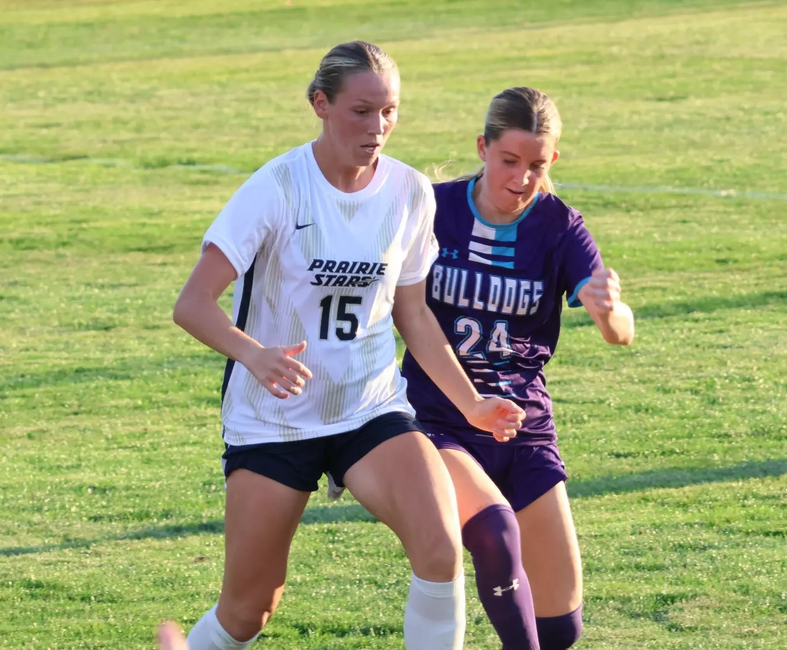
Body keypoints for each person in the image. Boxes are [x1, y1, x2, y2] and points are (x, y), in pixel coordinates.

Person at [172, 42, 525, 650]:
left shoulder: (411, 193)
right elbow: (192, 304)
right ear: (320, 104)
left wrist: (470, 405)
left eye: (389, 112)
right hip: (274, 421)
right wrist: (254, 354)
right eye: (362, 111)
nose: (377, 128)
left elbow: (412, 315)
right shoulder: (277, 186)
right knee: (249, 610)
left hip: (369, 409)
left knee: (440, 549)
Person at [401, 87, 635, 649]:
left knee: (561, 626)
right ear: (482, 148)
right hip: (440, 422)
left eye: (536, 165)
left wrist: (610, 311)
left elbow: (620, 329)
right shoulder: (434, 209)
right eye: (509, 161)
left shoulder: (559, 227)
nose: (522, 177)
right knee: (495, 536)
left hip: (523, 426)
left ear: (552, 161)